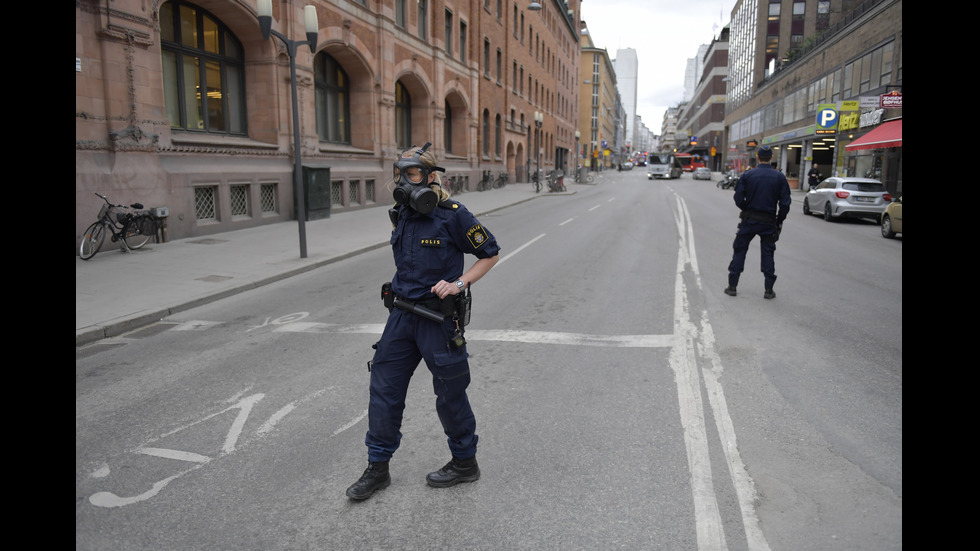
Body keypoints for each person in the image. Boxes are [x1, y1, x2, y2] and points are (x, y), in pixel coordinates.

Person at [346, 143, 501, 501]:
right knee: (384, 392)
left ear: (431, 177)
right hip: (401, 315)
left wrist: (459, 282)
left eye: (412, 173)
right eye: (400, 173)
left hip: (438, 319)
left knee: (450, 393)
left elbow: (489, 253)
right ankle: (378, 468)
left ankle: (465, 462)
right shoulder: (402, 212)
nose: (404, 180)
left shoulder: (453, 214)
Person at [724, 145, 791, 300]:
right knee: (768, 253)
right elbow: (785, 204)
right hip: (768, 222)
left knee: (740, 250)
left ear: (758, 157)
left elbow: (738, 198)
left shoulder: (748, 175)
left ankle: (732, 286)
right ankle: (768, 290)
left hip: (749, 220)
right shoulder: (779, 177)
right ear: (771, 158)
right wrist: (778, 221)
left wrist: (746, 208)